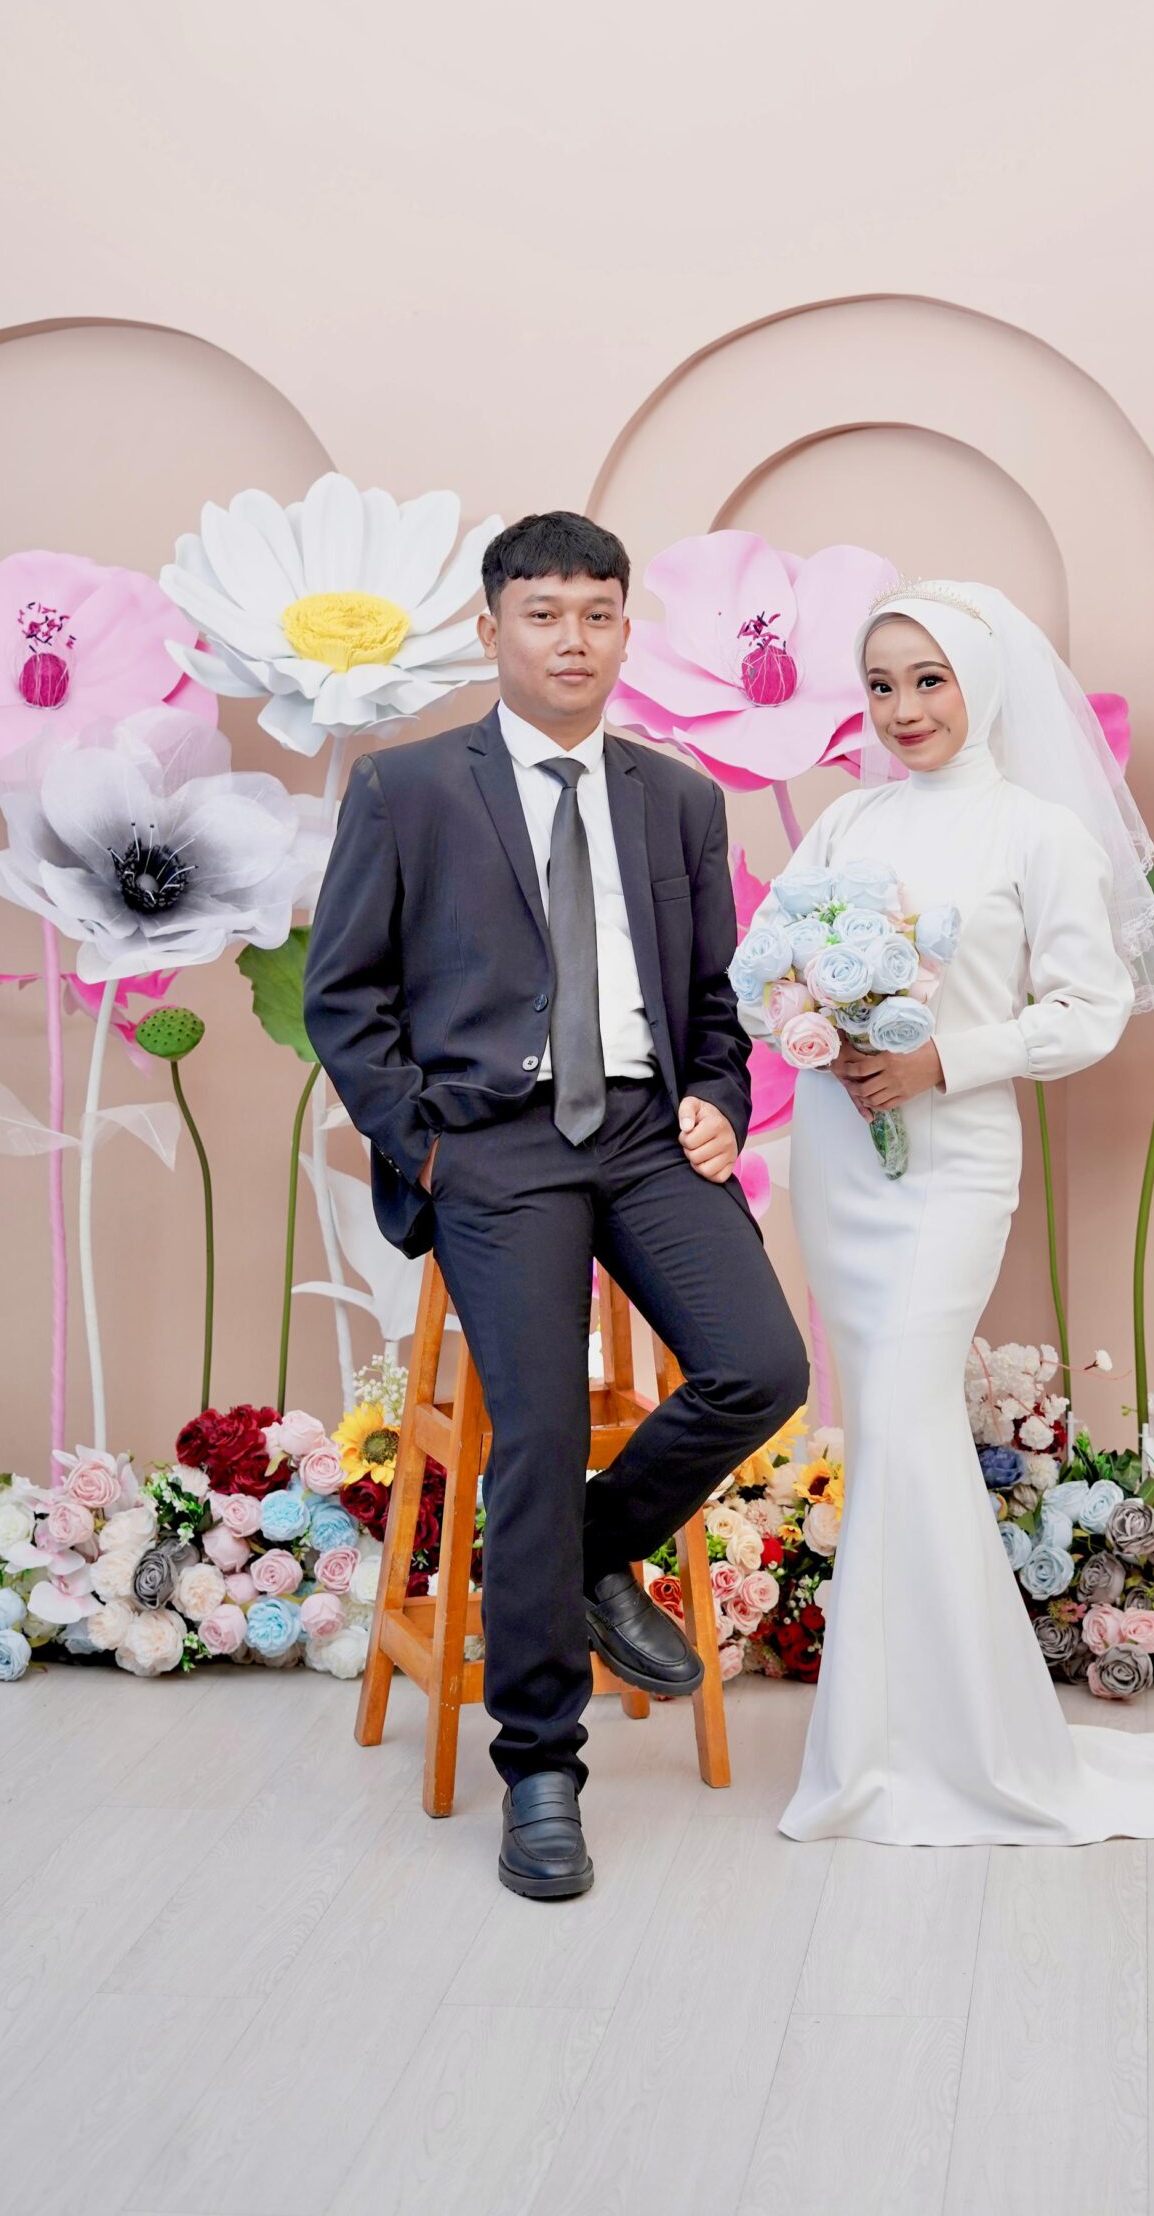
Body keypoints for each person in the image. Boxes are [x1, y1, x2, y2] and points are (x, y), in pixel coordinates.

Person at [743, 579, 1154, 1843]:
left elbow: (1089, 1009)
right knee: (887, 1429)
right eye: (882, 684)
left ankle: (938, 1749)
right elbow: (768, 961)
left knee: (904, 1417)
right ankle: (906, 1732)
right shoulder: (844, 821)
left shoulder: (1037, 831)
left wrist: (940, 1059)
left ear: (983, 685)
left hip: (950, 1158)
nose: (903, 708)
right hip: (842, 1152)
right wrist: (805, 1020)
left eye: (929, 679)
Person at [304, 511, 808, 1901]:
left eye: (596, 613)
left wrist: (718, 1092)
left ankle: (582, 1551)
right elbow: (343, 997)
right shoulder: (407, 789)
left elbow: (710, 1001)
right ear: (492, 630)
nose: (571, 639)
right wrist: (426, 1150)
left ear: (625, 631)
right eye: (542, 614)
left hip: (644, 1135)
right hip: (491, 1147)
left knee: (761, 1366)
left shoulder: (678, 799)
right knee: (532, 1428)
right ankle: (541, 1768)